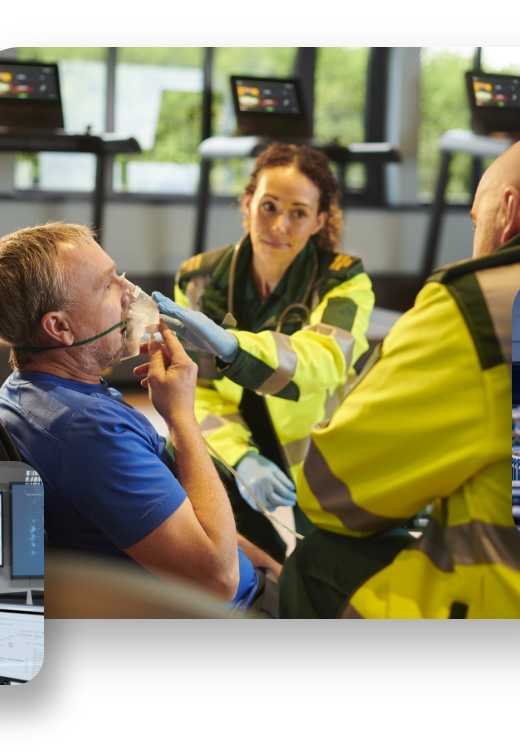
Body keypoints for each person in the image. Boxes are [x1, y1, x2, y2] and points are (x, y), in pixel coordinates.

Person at [278, 127, 520, 618]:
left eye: (476, 220)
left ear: (508, 213)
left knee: (320, 562)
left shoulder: (484, 305)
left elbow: (331, 493)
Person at [0, 222, 281, 617]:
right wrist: (182, 419)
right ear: (59, 327)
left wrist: (266, 565)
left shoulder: (20, 393)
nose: (130, 292)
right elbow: (219, 580)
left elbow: (173, 515)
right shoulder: (92, 432)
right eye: (107, 285)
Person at [153, 143, 376, 562]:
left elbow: (324, 358)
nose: (278, 225)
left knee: (333, 568)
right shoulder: (199, 280)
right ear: (248, 203)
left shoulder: (344, 280)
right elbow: (196, 391)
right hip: (235, 441)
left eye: (298, 213)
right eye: (269, 206)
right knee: (241, 561)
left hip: (321, 450)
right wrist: (241, 457)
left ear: (319, 220)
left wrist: (233, 346)